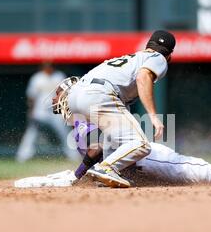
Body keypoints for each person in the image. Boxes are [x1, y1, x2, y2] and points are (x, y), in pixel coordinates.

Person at [14, 117, 211, 188]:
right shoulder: (95, 157)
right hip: (148, 162)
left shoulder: (102, 138)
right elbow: (76, 177)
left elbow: (92, 148)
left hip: (153, 158)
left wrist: (87, 155)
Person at [54, 30, 176, 187]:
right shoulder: (158, 58)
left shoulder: (133, 59)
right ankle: (106, 168)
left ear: (148, 45)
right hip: (99, 93)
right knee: (141, 144)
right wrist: (152, 115)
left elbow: (110, 140)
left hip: (76, 94)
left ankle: (106, 174)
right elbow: (143, 77)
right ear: (169, 55)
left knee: (116, 142)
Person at [16, 62, 78, 162]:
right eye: (46, 66)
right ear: (42, 67)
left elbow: (65, 94)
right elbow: (31, 97)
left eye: (50, 66)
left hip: (55, 111)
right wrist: (31, 111)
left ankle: (73, 155)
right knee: (31, 134)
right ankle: (23, 156)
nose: (48, 68)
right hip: (40, 111)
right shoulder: (37, 78)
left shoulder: (59, 76)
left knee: (64, 133)